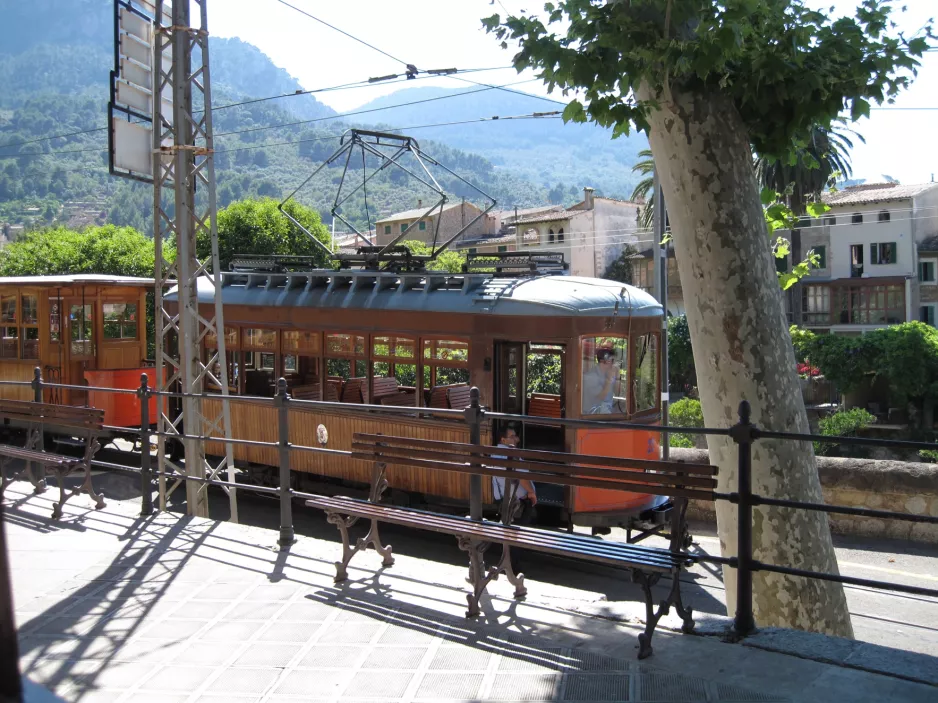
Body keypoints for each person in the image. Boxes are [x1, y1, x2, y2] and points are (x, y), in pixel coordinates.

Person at [491, 424, 537, 526]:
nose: (517, 439)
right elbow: (522, 478)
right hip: (517, 503)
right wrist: (531, 492)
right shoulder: (511, 455)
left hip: (502, 501)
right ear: (503, 440)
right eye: (512, 437)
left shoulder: (494, 454)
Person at [582, 344, 622, 414]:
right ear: (604, 361)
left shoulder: (608, 373)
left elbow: (617, 393)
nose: (613, 364)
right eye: (612, 361)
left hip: (605, 413)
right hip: (591, 417)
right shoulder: (591, 377)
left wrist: (618, 376)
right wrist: (609, 380)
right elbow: (600, 397)